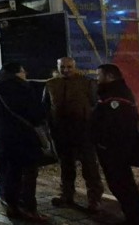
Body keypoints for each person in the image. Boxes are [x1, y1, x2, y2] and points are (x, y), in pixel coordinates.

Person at [92, 64, 139, 225]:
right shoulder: (112, 93)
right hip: (114, 151)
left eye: (99, 75)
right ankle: (133, 221)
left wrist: (104, 145)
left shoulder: (116, 97)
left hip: (115, 152)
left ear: (109, 76)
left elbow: (116, 127)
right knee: (122, 186)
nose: (97, 78)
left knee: (124, 187)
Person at [42, 57, 104, 211]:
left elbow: (95, 104)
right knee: (66, 166)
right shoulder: (51, 84)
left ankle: (94, 199)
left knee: (89, 167)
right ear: (58, 67)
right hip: (61, 133)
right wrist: (50, 128)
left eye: (69, 67)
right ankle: (66, 195)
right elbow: (46, 107)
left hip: (83, 132)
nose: (66, 70)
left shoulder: (86, 82)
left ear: (74, 67)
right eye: (62, 67)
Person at [0, 62, 48, 222]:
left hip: (7, 137)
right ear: (16, 73)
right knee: (29, 174)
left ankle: (13, 206)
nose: (25, 74)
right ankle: (29, 208)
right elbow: (35, 113)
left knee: (12, 173)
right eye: (23, 71)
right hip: (25, 138)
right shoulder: (22, 88)